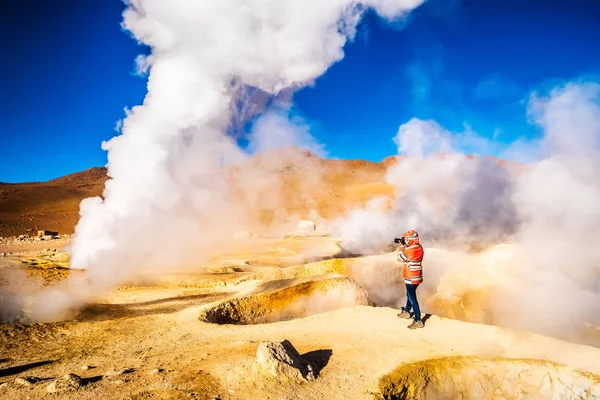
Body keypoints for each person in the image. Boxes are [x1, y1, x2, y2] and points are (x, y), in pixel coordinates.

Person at [396, 229, 424, 329]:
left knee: (412, 298)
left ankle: (418, 320)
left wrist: (401, 246)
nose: (406, 241)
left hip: (411, 277)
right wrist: (405, 245)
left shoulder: (409, 250)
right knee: (409, 294)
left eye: (407, 239)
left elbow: (400, 257)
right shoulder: (419, 247)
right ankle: (407, 311)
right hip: (418, 276)